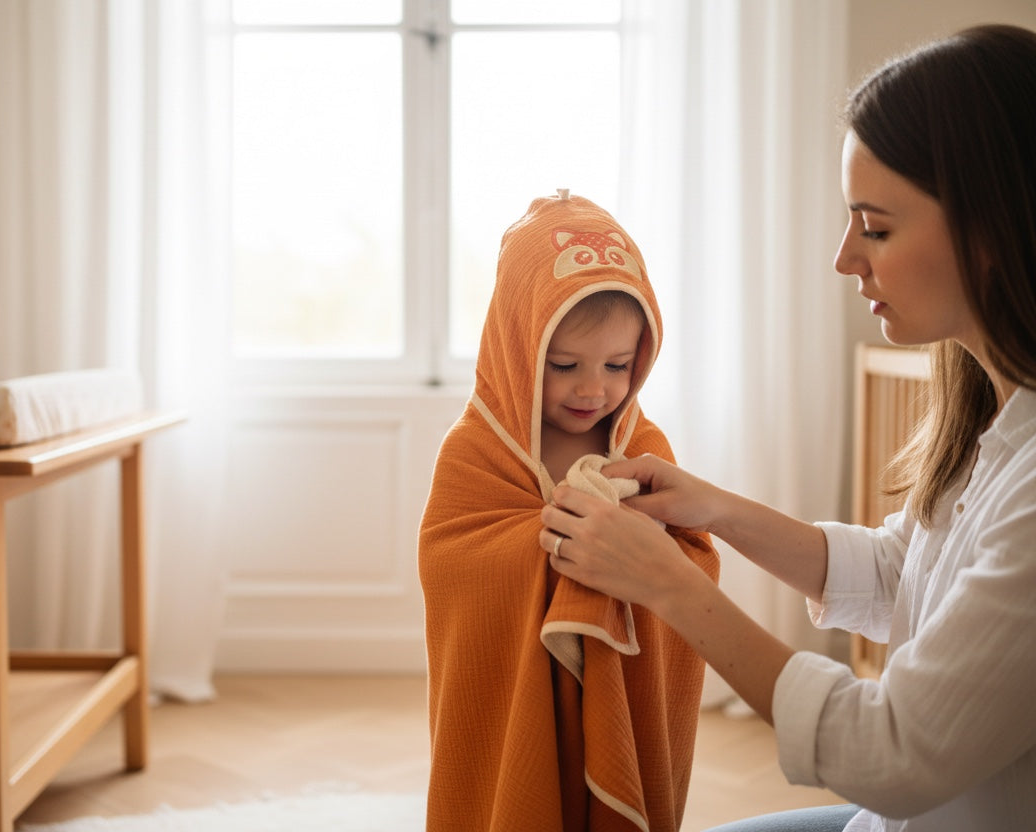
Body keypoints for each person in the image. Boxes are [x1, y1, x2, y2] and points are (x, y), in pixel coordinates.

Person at [540, 24, 1036, 832]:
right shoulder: (997, 424)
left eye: (876, 227)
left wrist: (667, 583)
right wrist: (714, 508)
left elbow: (892, 753)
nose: (845, 257)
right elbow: (899, 572)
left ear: (992, 229)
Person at [419, 191, 719, 831]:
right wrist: (562, 544)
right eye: (563, 365)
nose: (593, 388)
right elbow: (451, 564)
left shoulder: (640, 448)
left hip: (617, 691)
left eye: (617, 365)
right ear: (517, 349)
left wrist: (634, 544)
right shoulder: (475, 450)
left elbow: (692, 558)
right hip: (516, 698)